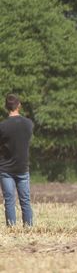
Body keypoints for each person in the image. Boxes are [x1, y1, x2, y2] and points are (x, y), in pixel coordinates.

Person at [0, 94, 34, 227]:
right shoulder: (28, 124)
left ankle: (11, 227)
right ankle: (29, 226)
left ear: (6, 107)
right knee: (25, 200)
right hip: (22, 167)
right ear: (19, 105)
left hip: (5, 169)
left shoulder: (2, 126)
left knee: (9, 200)